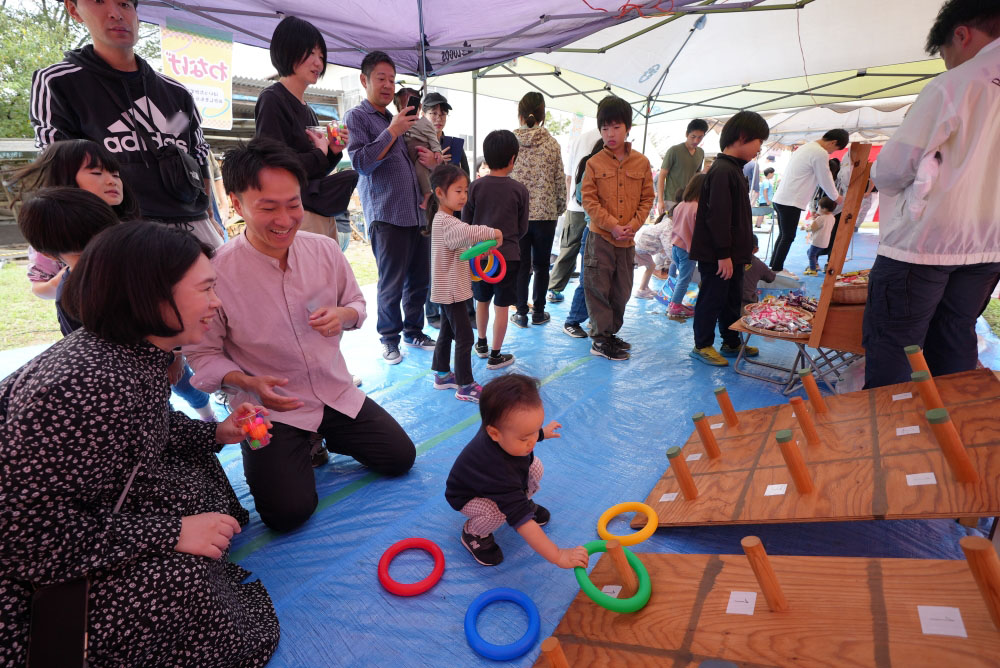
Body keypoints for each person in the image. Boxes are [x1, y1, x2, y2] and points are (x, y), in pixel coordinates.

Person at [0, 220, 279, 666]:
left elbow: (150, 431)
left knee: (198, 478)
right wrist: (173, 532)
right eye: (205, 290)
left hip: (85, 514)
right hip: (29, 574)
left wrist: (216, 432)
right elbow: (27, 537)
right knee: (191, 593)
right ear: (149, 296)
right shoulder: (87, 385)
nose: (217, 303)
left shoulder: (131, 352)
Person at [184, 138, 416, 531]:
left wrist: (343, 314)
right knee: (285, 514)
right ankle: (298, 445)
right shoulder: (218, 273)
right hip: (270, 410)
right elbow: (202, 356)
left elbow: (358, 306)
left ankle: (323, 438)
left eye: (293, 204)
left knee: (400, 458)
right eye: (268, 207)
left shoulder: (324, 250)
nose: (285, 219)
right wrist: (244, 380)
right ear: (237, 206)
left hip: (333, 390)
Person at [863, 0, 1000, 389]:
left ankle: (894, 440)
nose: (947, 63)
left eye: (945, 54)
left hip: (925, 244)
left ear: (961, 34)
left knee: (895, 345)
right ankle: (950, 438)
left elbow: (890, 171)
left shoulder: (954, 85)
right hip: (989, 245)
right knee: (956, 335)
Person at [30, 0, 222, 248]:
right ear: (74, 9)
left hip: (195, 227)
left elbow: (196, 154)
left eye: (124, 4)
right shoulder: (59, 83)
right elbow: (58, 169)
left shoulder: (175, 93)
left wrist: (207, 215)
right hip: (120, 232)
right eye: (99, 2)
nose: (115, 14)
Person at [345, 50, 439, 364]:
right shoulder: (359, 117)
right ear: (364, 80)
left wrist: (431, 159)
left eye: (391, 80)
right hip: (386, 215)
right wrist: (393, 131)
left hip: (415, 212)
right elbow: (361, 162)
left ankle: (414, 331)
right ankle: (389, 338)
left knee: (419, 279)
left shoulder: (392, 117)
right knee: (391, 282)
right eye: (380, 78)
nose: (387, 85)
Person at [445, 374, 589, 568]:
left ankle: (524, 500)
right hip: (468, 496)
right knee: (496, 513)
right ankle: (473, 532)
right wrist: (557, 555)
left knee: (535, 467)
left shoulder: (502, 429)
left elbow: (523, 431)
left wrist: (540, 434)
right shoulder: (498, 471)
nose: (531, 442)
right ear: (494, 433)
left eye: (535, 430)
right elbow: (523, 523)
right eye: (524, 438)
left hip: (501, 482)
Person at [255, 15, 358, 242]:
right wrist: (320, 152)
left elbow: (316, 170)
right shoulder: (272, 99)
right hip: (291, 215)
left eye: (321, 56)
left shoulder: (308, 109)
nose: (318, 63)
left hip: (314, 210)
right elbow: (273, 166)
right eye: (311, 53)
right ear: (288, 49)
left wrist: (331, 150)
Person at [688, 111, 771, 367]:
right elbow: (718, 217)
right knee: (711, 298)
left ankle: (731, 341)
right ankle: (702, 345)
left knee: (732, 299)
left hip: (733, 255)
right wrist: (723, 254)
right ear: (743, 137)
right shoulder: (723, 170)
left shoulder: (735, 169)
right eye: (759, 141)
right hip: (718, 255)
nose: (760, 148)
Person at [14, 139, 138, 300]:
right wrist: (68, 275)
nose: (111, 181)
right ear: (63, 176)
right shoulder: (52, 232)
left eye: (116, 174)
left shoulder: (131, 226)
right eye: (96, 173)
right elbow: (39, 289)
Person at [581, 95, 654, 361]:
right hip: (601, 237)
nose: (610, 134)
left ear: (627, 128)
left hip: (628, 239)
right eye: (604, 128)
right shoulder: (594, 163)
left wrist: (633, 226)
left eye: (616, 127)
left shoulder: (642, 163)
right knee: (598, 288)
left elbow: (648, 198)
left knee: (622, 290)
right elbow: (588, 200)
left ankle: (610, 333)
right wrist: (612, 225)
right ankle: (599, 339)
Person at [427, 164, 501, 402]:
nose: (463, 196)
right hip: (451, 291)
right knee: (466, 337)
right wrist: (494, 233)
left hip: (448, 288)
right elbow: (469, 232)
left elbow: (461, 249)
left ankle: (441, 374)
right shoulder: (447, 222)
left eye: (465, 191)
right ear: (440, 193)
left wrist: (477, 252)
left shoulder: (445, 221)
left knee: (448, 331)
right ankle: (465, 384)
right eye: (458, 191)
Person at [463, 130, 528, 370]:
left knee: (481, 300)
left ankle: (480, 344)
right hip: (508, 257)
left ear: (486, 159)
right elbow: (522, 228)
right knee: (502, 306)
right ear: (513, 159)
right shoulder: (520, 190)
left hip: (480, 257)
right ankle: (495, 355)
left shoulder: (474, 187)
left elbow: (466, 224)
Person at [16, 188, 119, 336]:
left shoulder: (142, 265)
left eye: (109, 244)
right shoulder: (71, 300)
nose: (100, 257)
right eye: (82, 254)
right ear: (49, 255)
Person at [509, 92, 566, 327]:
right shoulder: (552, 144)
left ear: (519, 115)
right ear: (542, 116)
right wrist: (558, 207)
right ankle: (539, 312)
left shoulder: (510, 142)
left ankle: (521, 313)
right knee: (542, 265)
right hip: (546, 216)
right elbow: (560, 182)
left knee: (522, 266)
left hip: (517, 216)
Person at [769, 130, 848, 278]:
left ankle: (773, 268)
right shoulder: (820, 153)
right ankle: (776, 270)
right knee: (787, 237)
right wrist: (836, 197)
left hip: (782, 198)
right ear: (833, 143)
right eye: (835, 149)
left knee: (784, 236)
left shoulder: (807, 147)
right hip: (790, 200)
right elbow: (825, 178)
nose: (832, 153)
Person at [421, 91, 471, 328]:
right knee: (434, 262)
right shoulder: (417, 142)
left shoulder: (454, 144)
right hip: (429, 213)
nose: (438, 118)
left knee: (457, 259)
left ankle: (460, 305)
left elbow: (465, 177)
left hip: (454, 215)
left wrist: (451, 168)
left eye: (442, 113)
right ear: (424, 114)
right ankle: (433, 313)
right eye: (433, 113)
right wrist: (436, 165)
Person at [548, 127, 601, 304]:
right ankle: (561, 290)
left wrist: (568, 203)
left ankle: (554, 289)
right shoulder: (607, 141)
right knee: (590, 256)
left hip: (577, 207)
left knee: (569, 250)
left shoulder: (581, 139)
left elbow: (569, 177)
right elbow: (570, 177)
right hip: (592, 211)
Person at [562, 140, 604, 339]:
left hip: (608, 235)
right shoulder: (592, 168)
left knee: (603, 282)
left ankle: (597, 323)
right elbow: (582, 195)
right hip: (594, 232)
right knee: (587, 280)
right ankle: (572, 320)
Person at [393, 87, 442, 209]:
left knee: (420, 170)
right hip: (410, 156)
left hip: (421, 153)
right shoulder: (397, 124)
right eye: (404, 108)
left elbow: (432, 137)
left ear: (419, 107)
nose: (408, 110)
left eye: (411, 107)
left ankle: (427, 195)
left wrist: (437, 151)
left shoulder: (424, 123)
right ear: (398, 109)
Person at [667, 173, 706, 320]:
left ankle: (675, 302)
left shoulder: (681, 205)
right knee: (684, 278)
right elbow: (697, 231)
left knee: (680, 277)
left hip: (675, 245)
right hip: (687, 249)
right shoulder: (697, 208)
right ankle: (675, 306)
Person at [656, 119, 708, 217]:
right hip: (672, 199)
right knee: (670, 228)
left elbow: (696, 174)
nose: (696, 140)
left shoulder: (701, 152)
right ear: (686, 134)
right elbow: (662, 176)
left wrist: (704, 172)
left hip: (689, 199)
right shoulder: (674, 151)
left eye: (700, 137)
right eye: (693, 136)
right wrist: (660, 200)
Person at [633, 213, 673, 299]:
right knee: (651, 266)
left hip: (640, 245)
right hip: (641, 247)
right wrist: (674, 259)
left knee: (651, 266)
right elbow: (668, 246)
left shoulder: (666, 222)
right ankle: (641, 290)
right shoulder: (669, 226)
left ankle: (644, 288)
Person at [742, 234, 777, 308]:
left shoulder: (727, 261)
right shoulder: (759, 264)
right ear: (756, 249)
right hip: (748, 304)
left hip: (726, 304)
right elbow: (771, 278)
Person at [805, 196, 836, 275]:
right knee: (810, 252)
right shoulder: (832, 217)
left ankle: (813, 270)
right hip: (825, 241)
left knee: (811, 255)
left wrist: (805, 228)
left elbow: (811, 228)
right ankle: (815, 266)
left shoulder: (821, 218)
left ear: (824, 209)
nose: (817, 208)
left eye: (818, 206)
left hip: (817, 241)